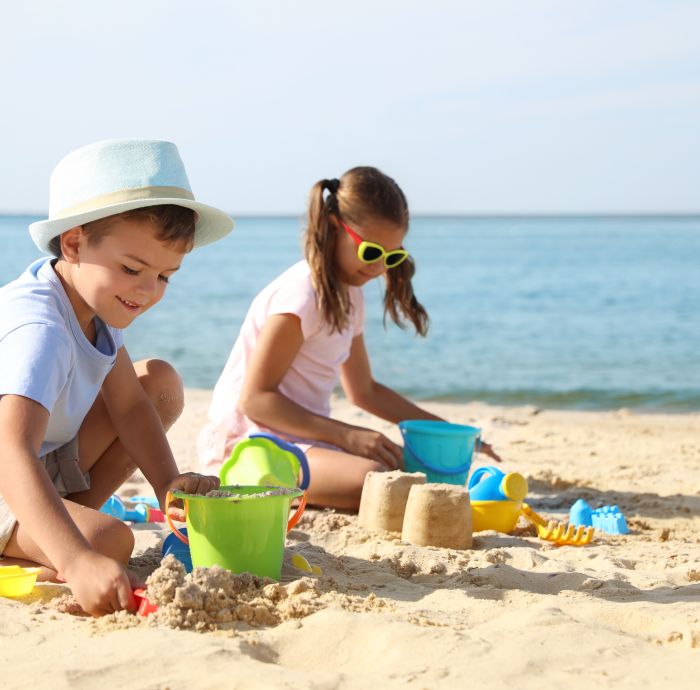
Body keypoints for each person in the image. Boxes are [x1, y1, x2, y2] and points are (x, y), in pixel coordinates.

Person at [0, 139, 234, 616]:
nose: (148, 291)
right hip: (9, 468)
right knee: (109, 541)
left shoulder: (95, 306)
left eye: (166, 276)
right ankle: (54, 542)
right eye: (132, 268)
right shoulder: (40, 329)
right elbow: (10, 448)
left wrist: (169, 483)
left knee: (158, 384)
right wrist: (76, 558)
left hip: (37, 465)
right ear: (73, 242)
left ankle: (56, 529)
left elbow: (130, 406)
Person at [198, 166, 500, 509]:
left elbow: (364, 390)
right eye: (371, 252)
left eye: (392, 256)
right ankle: (261, 481)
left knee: (402, 466)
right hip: (251, 445)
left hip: (304, 439)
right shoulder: (301, 296)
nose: (379, 267)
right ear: (332, 227)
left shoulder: (350, 296)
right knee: (376, 478)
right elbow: (255, 400)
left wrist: (451, 434)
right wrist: (348, 435)